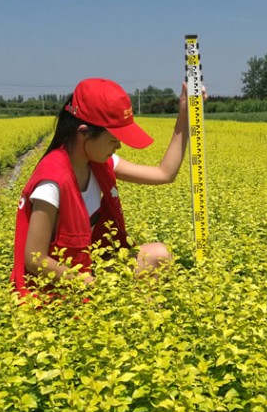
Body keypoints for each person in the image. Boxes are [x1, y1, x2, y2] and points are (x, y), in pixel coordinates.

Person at [11, 77, 193, 298]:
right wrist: (87, 283)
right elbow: (34, 259)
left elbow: (164, 173)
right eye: (114, 139)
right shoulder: (52, 183)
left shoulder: (99, 163)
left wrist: (184, 115)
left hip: (88, 269)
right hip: (56, 285)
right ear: (83, 132)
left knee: (159, 255)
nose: (119, 145)